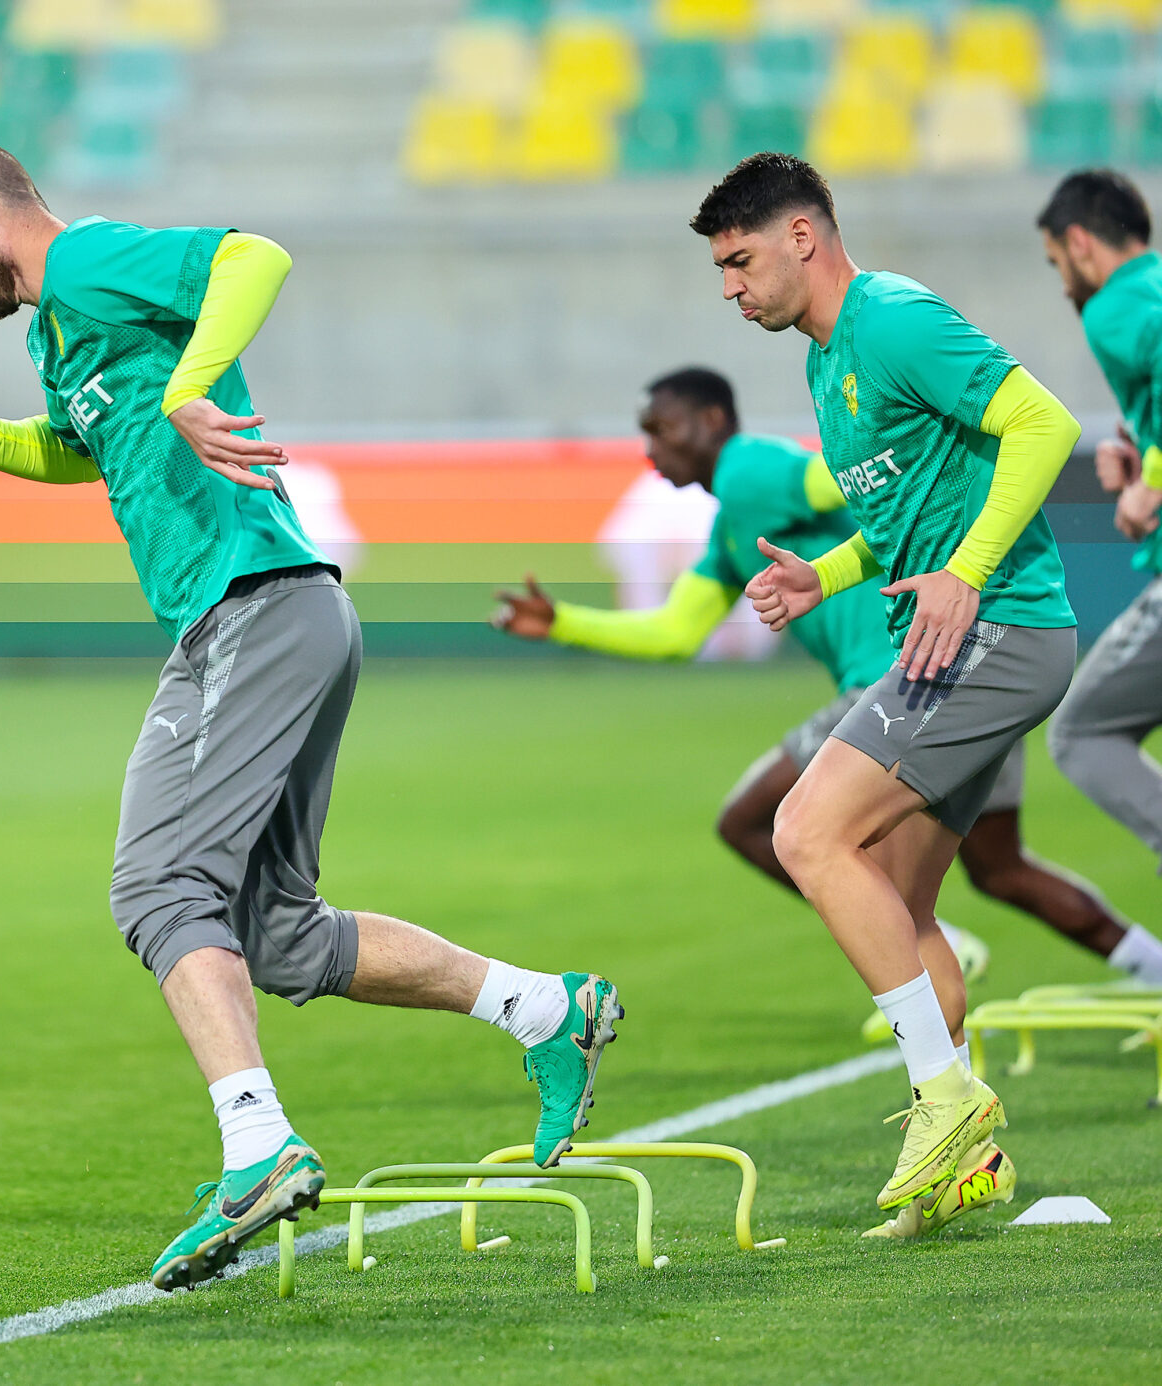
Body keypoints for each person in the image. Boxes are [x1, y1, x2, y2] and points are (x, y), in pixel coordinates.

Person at [0, 135, 623, 1290]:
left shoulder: (86, 262)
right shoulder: (53, 330)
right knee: (276, 933)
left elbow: (252, 257)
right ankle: (543, 1009)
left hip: (253, 606)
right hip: (265, 615)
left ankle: (257, 1146)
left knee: (155, 888)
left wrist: (189, 388)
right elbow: (85, 450)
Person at [694, 153, 1083, 1235]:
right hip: (959, 642)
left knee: (804, 831)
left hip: (995, 632)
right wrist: (825, 576)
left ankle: (948, 1100)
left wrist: (967, 573)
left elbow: (1045, 424)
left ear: (801, 237)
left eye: (739, 261)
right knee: (903, 915)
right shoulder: (827, 362)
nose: (729, 288)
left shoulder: (896, 319)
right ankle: (966, 1162)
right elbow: (902, 514)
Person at [497, 368, 1159, 1000]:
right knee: (1000, 869)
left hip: (902, 681)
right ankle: (1149, 965)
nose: (651, 450)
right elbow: (676, 631)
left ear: (712, 419)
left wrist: (917, 466)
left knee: (765, 826)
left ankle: (922, 979)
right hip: (968, 665)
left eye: (662, 429)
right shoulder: (732, 526)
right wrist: (564, 623)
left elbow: (848, 477)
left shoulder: (747, 469)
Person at [1038, 171, 1162, 962]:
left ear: (1080, 242)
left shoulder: (1114, 304)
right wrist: (1143, 459)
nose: (1062, 283)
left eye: (1056, 262)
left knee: (1084, 732)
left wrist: (1152, 483)